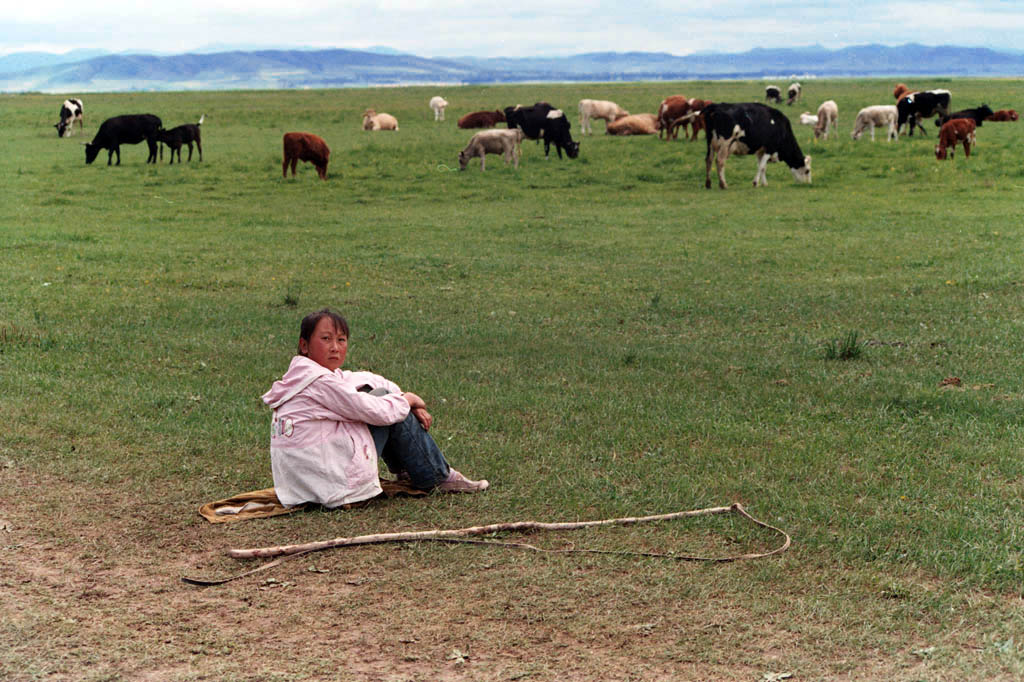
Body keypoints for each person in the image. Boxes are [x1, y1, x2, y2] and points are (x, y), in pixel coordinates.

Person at [262, 308, 489, 509]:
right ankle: (437, 476)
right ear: (304, 345)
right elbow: (375, 410)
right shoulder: (319, 382)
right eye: (326, 339)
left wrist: (401, 397)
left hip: (303, 487)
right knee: (389, 410)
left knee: (386, 399)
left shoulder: (304, 376)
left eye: (341, 340)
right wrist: (407, 401)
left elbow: (364, 379)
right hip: (331, 487)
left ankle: (409, 469)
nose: (335, 347)